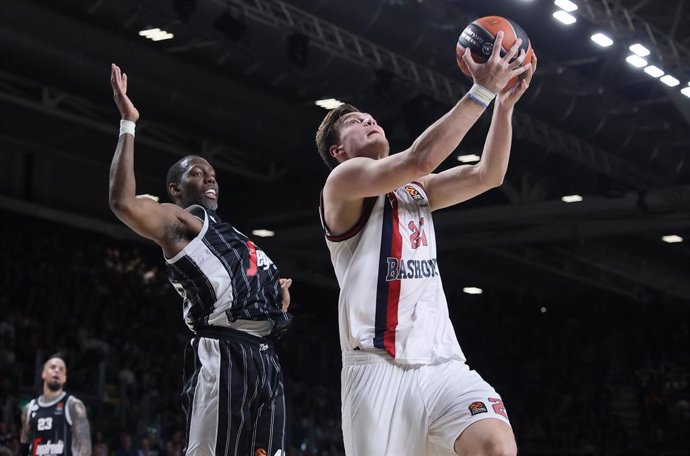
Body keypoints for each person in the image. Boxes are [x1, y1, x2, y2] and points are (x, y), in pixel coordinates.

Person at [315, 32, 536, 456]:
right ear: (339, 151)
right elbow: (421, 158)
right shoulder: (341, 184)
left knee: (496, 446)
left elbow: (488, 175)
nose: (367, 120)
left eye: (368, 116)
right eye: (354, 123)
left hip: (441, 363)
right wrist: (481, 90)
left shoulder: (416, 190)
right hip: (377, 367)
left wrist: (503, 109)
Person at [108, 64, 293, 456]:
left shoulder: (237, 238)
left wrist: (277, 293)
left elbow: (259, 295)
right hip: (222, 353)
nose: (210, 178)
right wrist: (128, 123)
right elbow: (122, 202)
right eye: (198, 172)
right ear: (176, 188)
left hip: (266, 358)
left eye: (212, 173)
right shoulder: (181, 224)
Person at [19, 355, 91, 456]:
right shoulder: (29, 409)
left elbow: (85, 448)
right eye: (52, 367)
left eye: (61, 369)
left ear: (64, 378)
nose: (57, 370)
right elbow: (23, 447)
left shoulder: (73, 405)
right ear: (43, 373)